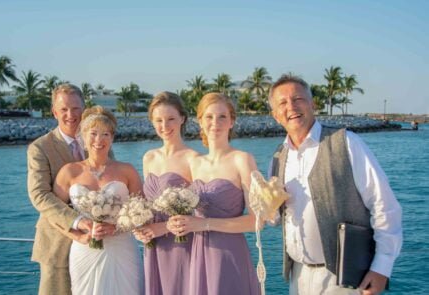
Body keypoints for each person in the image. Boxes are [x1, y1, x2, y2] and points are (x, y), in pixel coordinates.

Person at [267, 73, 402, 295]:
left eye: (298, 98)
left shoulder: (346, 143)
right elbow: (275, 218)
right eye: (282, 102)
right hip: (297, 277)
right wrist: (267, 209)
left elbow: (383, 204)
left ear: (312, 104)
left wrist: (381, 268)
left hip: (344, 279)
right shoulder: (278, 157)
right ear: (275, 115)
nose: (291, 106)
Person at [169, 93, 260, 295]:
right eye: (209, 117)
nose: (215, 123)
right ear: (199, 121)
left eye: (222, 117)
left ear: (232, 121)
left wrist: (204, 224)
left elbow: (256, 222)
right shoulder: (194, 163)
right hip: (198, 253)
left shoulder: (242, 160)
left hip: (230, 253)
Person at [53, 105, 143, 294]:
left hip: (122, 247)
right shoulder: (69, 172)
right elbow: (54, 215)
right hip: (84, 249)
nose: (99, 140)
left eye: (105, 134)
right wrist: (79, 236)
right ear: (83, 137)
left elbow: (141, 211)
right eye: (93, 133)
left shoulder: (127, 171)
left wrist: (117, 227)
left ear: (112, 138)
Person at [27, 84, 93, 295]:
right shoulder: (39, 148)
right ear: (54, 112)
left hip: (96, 242)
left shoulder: (98, 141)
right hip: (57, 242)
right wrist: (77, 221)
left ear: (84, 109)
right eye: (64, 109)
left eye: (75, 108)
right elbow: (39, 195)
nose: (70, 115)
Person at [133, 91, 199, 295]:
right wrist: (140, 228)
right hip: (154, 244)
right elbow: (148, 204)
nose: (165, 126)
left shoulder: (193, 158)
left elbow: (200, 211)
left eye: (171, 119)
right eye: (159, 120)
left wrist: (163, 228)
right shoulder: (149, 158)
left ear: (182, 119)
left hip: (182, 243)